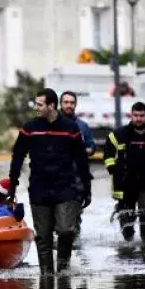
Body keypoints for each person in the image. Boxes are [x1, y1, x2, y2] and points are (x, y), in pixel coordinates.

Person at [8, 88, 92, 275]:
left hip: (66, 188)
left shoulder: (70, 128)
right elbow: (18, 156)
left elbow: (81, 160)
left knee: (66, 230)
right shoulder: (30, 128)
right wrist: (12, 185)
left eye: (39, 104)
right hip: (39, 189)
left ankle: (63, 270)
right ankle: (46, 275)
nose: (36, 108)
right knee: (43, 237)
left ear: (51, 105)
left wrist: (87, 188)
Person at [103, 102, 145, 242]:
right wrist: (112, 167)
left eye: (142, 116)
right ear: (131, 115)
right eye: (136, 115)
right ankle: (128, 243)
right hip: (126, 183)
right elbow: (108, 149)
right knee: (126, 219)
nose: (139, 119)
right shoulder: (121, 134)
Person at [60, 91, 95, 249]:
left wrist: (81, 150)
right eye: (66, 102)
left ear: (75, 105)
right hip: (57, 180)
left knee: (74, 219)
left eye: (71, 102)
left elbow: (91, 147)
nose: (69, 105)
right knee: (59, 220)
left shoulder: (83, 126)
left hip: (78, 180)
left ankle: (74, 249)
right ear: (60, 104)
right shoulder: (52, 124)